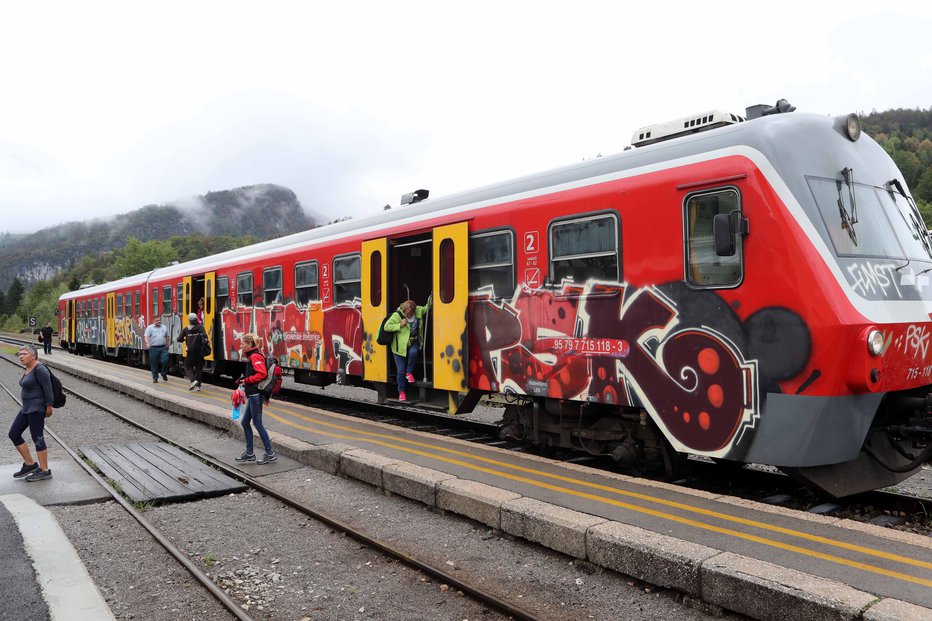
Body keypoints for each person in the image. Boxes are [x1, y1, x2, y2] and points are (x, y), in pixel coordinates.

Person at [8, 345, 54, 482]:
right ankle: (30, 464)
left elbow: (48, 389)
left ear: (33, 356)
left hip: (37, 409)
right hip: (27, 408)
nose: (21, 356)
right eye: (20, 354)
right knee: (14, 434)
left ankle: (44, 470)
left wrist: (49, 407)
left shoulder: (40, 369)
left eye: (24, 354)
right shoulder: (28, 368)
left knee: (38, 438)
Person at [234, 333, 277, 465]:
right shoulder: (254, 355)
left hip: (255, 396)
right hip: (253, 395)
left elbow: (262, 373)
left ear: (249, 345)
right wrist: (244, 380)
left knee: (258, 424)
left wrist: (247, 380)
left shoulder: (255, 356)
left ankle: (270, 453)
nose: (240, 346)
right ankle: (249, 453)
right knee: (245, 423)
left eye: (242, 344)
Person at [383, 297, 430, 401]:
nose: (408, 316)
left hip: (413, 341)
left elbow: (427, 308)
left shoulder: (418, 311)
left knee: (414, 352)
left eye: (410, 314)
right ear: (403, 311)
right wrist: (400, 325)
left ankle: (409, 372)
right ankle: (402, 392)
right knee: (400, 371)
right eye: (407, 314)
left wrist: (432, 296)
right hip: (399, 346)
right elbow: (386, 327)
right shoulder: (397, 315)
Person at [177, 313, 207, 391]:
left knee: (188, 368)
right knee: (199, 369)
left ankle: (193, 381)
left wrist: (185, 339)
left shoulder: (186, 329)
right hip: (200, 352)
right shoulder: (201, 328)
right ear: (196, 319)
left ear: (189, 320)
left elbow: (179, 339)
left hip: (190, 352)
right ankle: (198, 386)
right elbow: (205, 338)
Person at [144, 315, 170, 383]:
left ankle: (163, 373)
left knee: (166, 360)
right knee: (154, 363)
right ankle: (155, 377)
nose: (159, 321)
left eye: (159, 320)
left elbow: (167, 336)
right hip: (153, 348)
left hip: (163, 347)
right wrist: (147, 343)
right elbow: (146, 336)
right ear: (153, 321)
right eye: (157, 320)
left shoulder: (164, 327)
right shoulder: (150, 328)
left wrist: (167, 344)